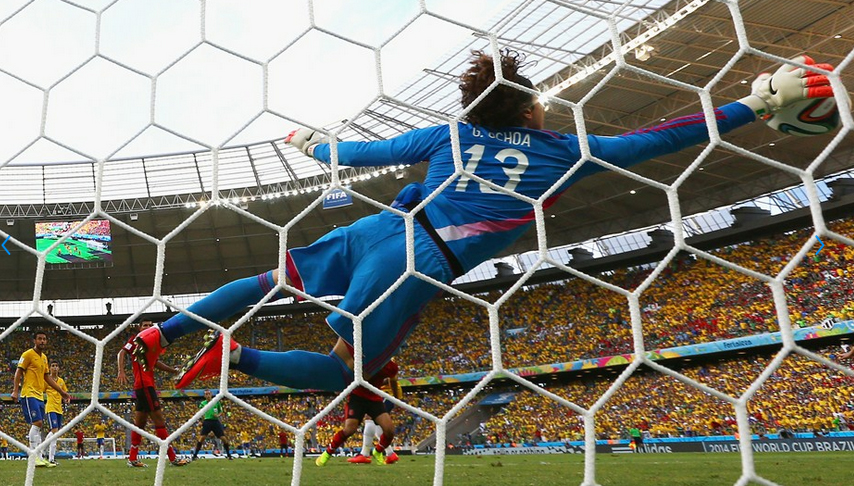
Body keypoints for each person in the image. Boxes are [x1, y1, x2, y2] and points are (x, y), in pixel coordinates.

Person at [130, 51, 835, 395]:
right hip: (419, 261)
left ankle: (167, 332)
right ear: (528, 109)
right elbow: (663, 139)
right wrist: (754, 105)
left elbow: (350, 153)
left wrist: (307, 142)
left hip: (376, 231)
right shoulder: (564, 153)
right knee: (349, 377)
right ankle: (240, 358)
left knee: (266, 279)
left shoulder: (448, 138)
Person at [116, 319, 190, 468]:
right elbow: (121, 353)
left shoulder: (151, 343)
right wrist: (121, 371)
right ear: (139, 328)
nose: (148, 327)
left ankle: (132, 458)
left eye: (150, 325)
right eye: (145, 325)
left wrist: (174, 371)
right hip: (145, 386)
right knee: (159, 421)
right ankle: (172, 457)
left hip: (144, 386)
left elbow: (154, 362)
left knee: (140, 424)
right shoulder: (136, 340)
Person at [317, 360, 400, 466]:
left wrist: (397, 399)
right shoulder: (365, 358)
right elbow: (346, 370)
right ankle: (327, 453)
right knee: (349, 430)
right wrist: (339, 386)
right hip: (357, 397)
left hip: (375, 399)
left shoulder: (391, 366)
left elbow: (393, 381)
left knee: (389, 431)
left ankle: (377, 451)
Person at [11, 330, 70, 468]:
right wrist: (15, 391)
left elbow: (47, 377)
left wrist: (62, 392)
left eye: (44, 339)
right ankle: (34, 456)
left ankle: (39, 457)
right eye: (39, 339)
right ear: (34, 341)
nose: (42, 341)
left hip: (39, 395)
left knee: (39, 425)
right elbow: (18, 371)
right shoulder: (27, 355)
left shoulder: (44, 358)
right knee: (37, 422)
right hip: (28, 393)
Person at [190, 389, 234, 460]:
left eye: (209, 394)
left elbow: (221, 411)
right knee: (201, 438)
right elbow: (200, 413)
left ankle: (229, 455)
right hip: (207, 421)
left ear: (211, 394)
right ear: (204, 396)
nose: (208, 395)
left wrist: (218, 415)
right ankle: (195, 455)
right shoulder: (203, 403)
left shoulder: (216, 402)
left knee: (223, 438)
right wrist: (200, 421)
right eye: (206, 394)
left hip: (215, 421)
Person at [43, 361, 68, 464]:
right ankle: (51, 459)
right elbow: (41, 390)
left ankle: (41, 449)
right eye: (53, 366)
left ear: (59, 368)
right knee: (54, 431)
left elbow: (65, 393)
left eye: (56, 366)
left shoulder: (61, 381)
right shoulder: (46, 380)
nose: (55, 368)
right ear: (49, 368)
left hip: (59, 409)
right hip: (51, 408)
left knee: (55, 432)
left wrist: (67, 398)